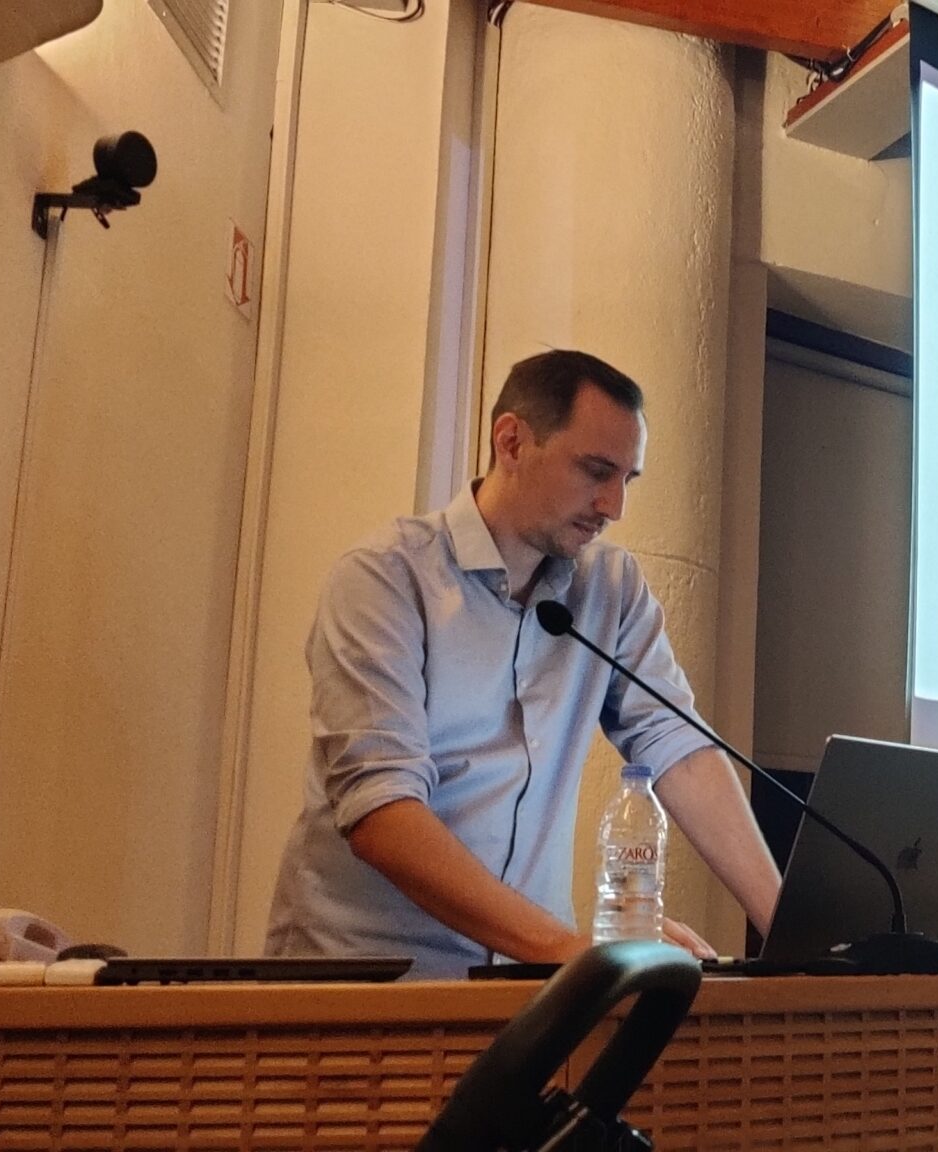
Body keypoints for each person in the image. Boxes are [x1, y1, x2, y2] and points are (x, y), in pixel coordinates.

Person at [264, 350, 781, 979]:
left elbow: (679, 747)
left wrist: (788, 934)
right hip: (367, 980)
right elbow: (381, 811)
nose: (614, 505)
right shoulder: (385, 578)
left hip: (523, 979)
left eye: (628, 479)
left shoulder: (611, 589)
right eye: (596, 471)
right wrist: (567, 949)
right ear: (510, 441)